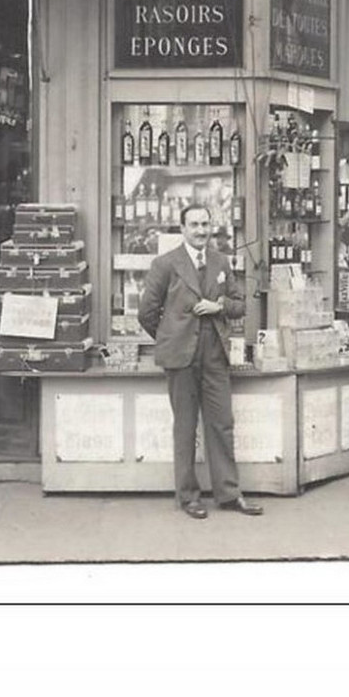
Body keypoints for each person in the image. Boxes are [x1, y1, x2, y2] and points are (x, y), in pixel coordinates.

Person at [137, 204, 262, 519]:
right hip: (181, 358)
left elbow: (239, 304)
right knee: (185, 428)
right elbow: (146, 314)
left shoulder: (221, 262)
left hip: (215, 356)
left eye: (205, 224)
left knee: (222, 424)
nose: (201, 230)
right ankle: (189, 497)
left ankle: (229, 495)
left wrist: (217, 306)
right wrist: (171, 336)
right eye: (194, 225)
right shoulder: (165, 264)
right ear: (182, 229)